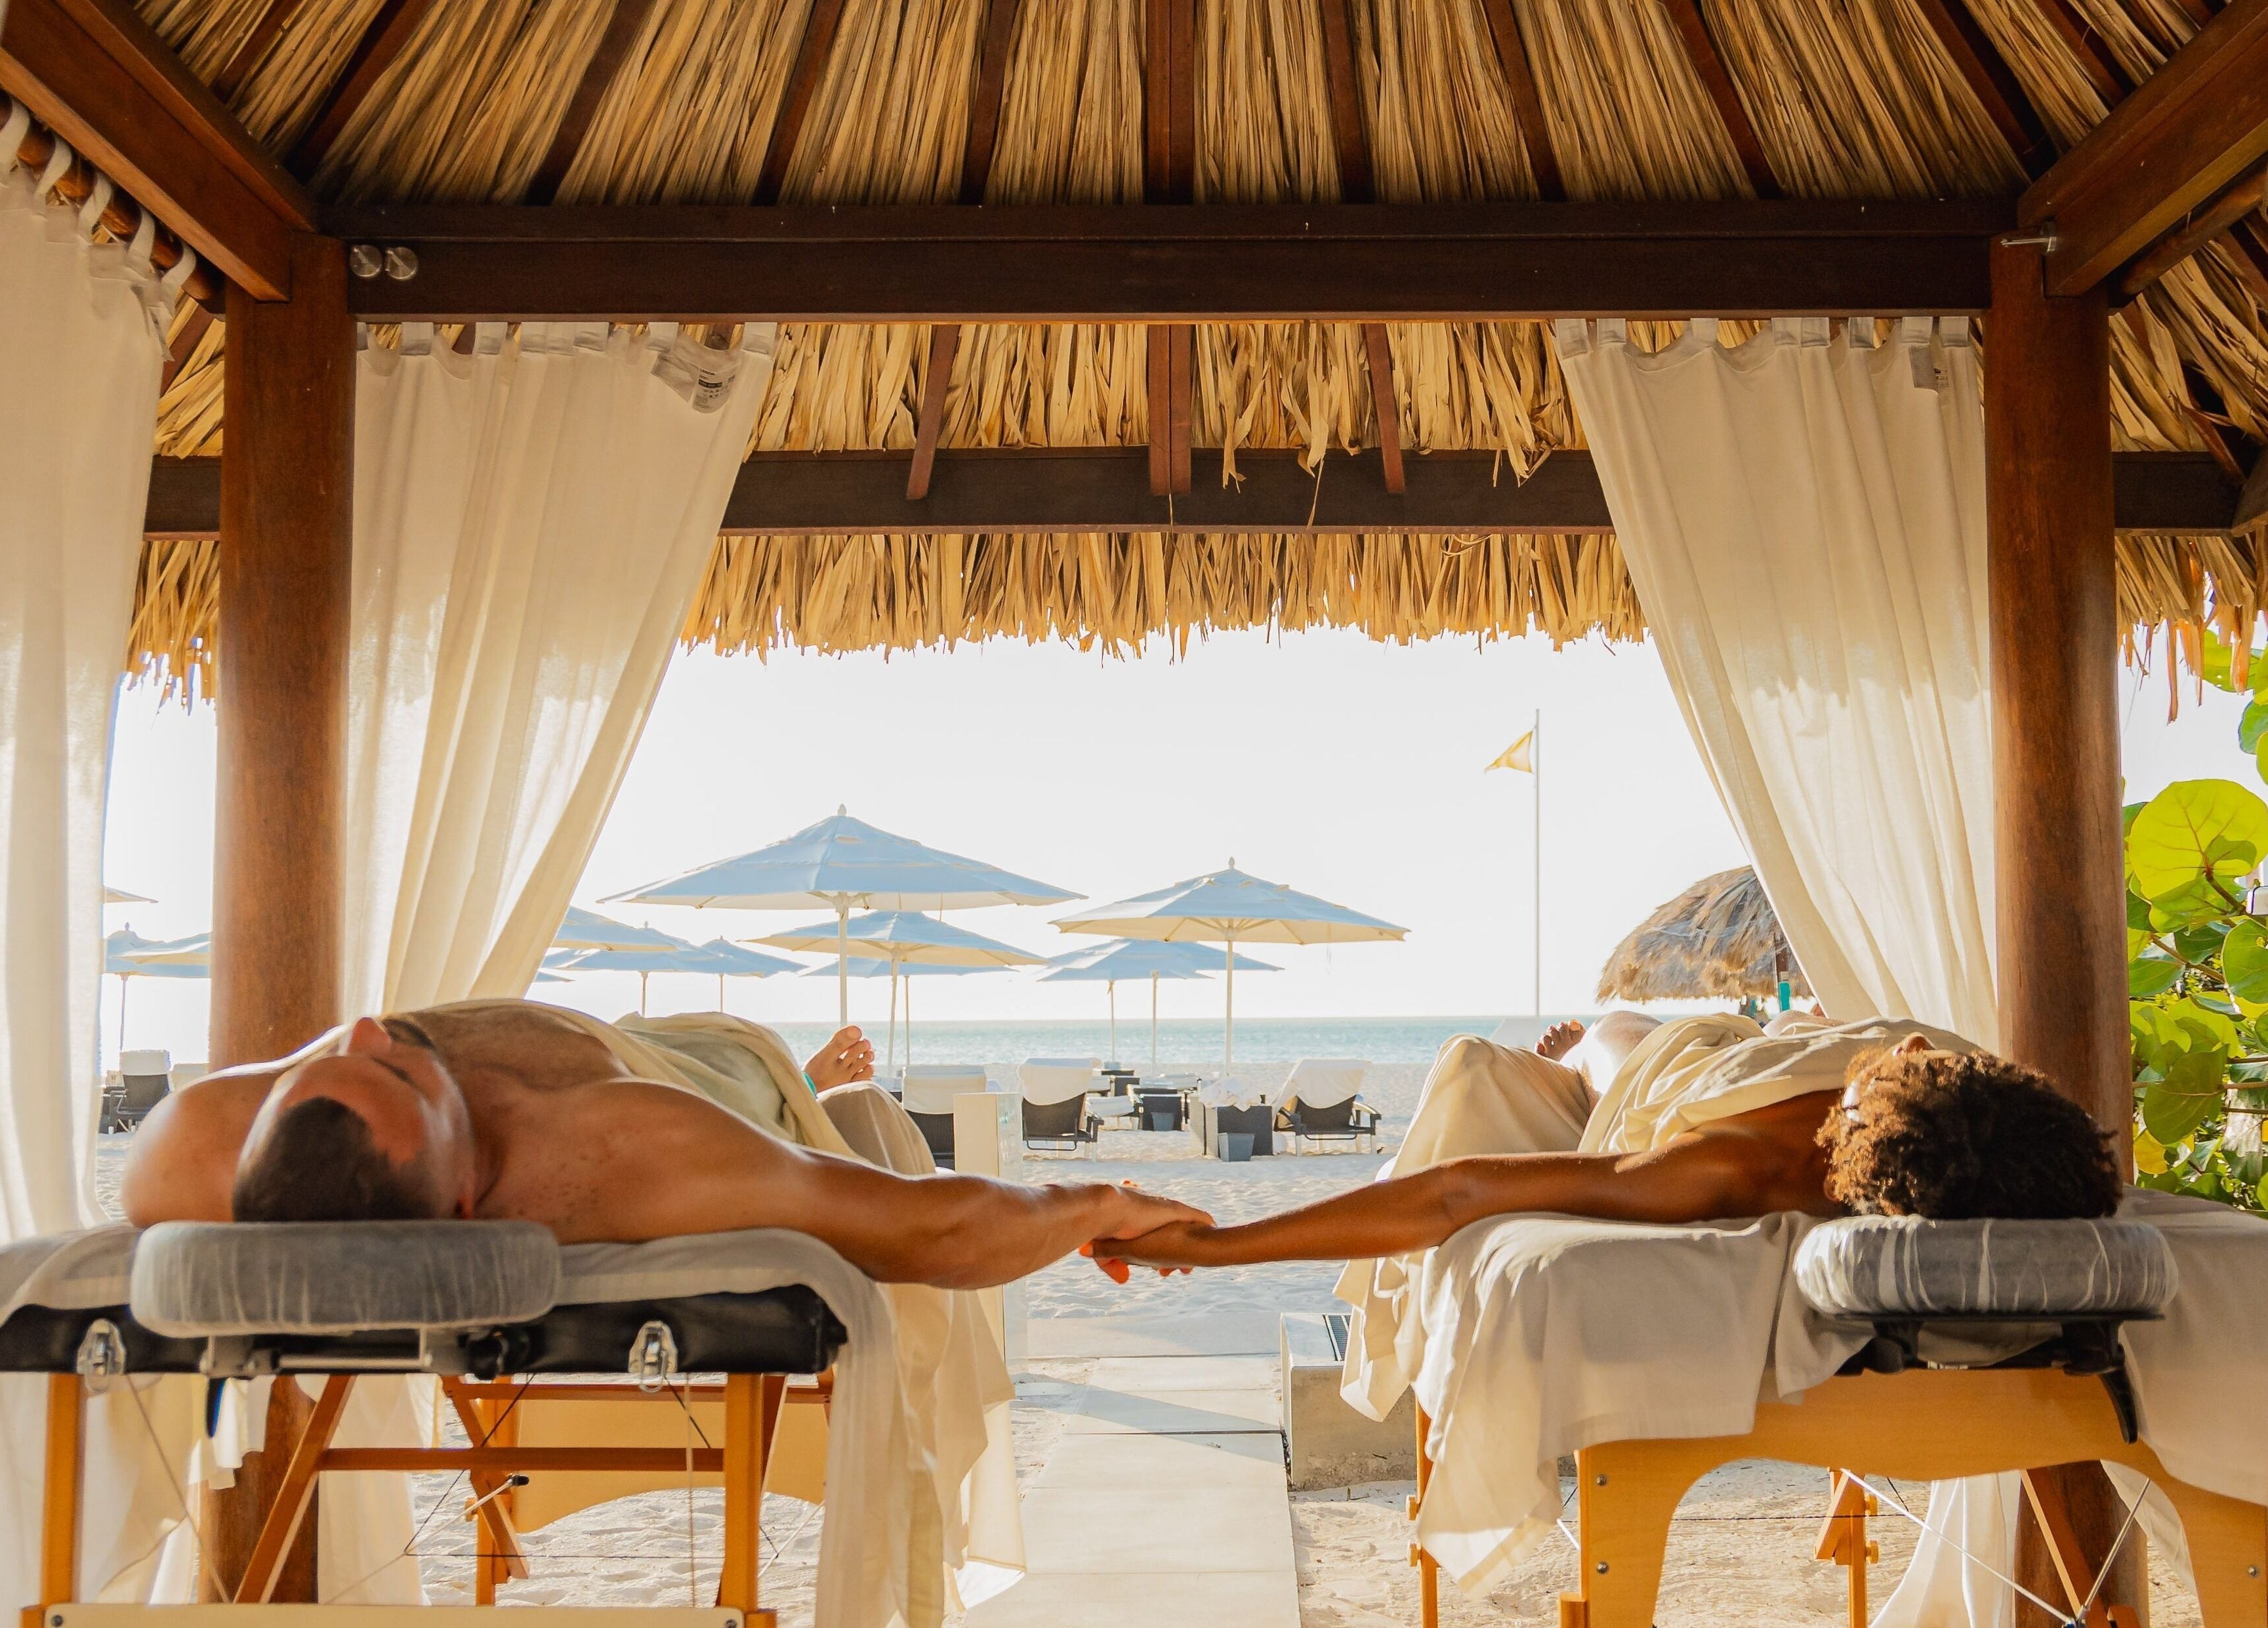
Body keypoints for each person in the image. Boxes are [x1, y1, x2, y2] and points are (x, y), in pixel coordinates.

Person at [124, 999, 1206, 1291]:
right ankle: (812, 1075)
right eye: (410, 1068)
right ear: (462, 1209)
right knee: (755, 1058)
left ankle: (816, 1071)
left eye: (332, 1056)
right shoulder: (623, 1146)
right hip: (693, 1065)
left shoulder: (195, 1144)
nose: (368, 1028)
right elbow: (932, 1233)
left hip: (621, 1046)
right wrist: (1098, 1203)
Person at [1098, 1010, 2125, 1274]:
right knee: (1617, 1031)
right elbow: (2058, 1159)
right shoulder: (1979, 1114)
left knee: (1603, 1039)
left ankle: (1567, 1042)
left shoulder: (1734, 1164)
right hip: (1773, 1045)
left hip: (1667, 1070)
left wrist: (1219, 1243)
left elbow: (1456, 1193)